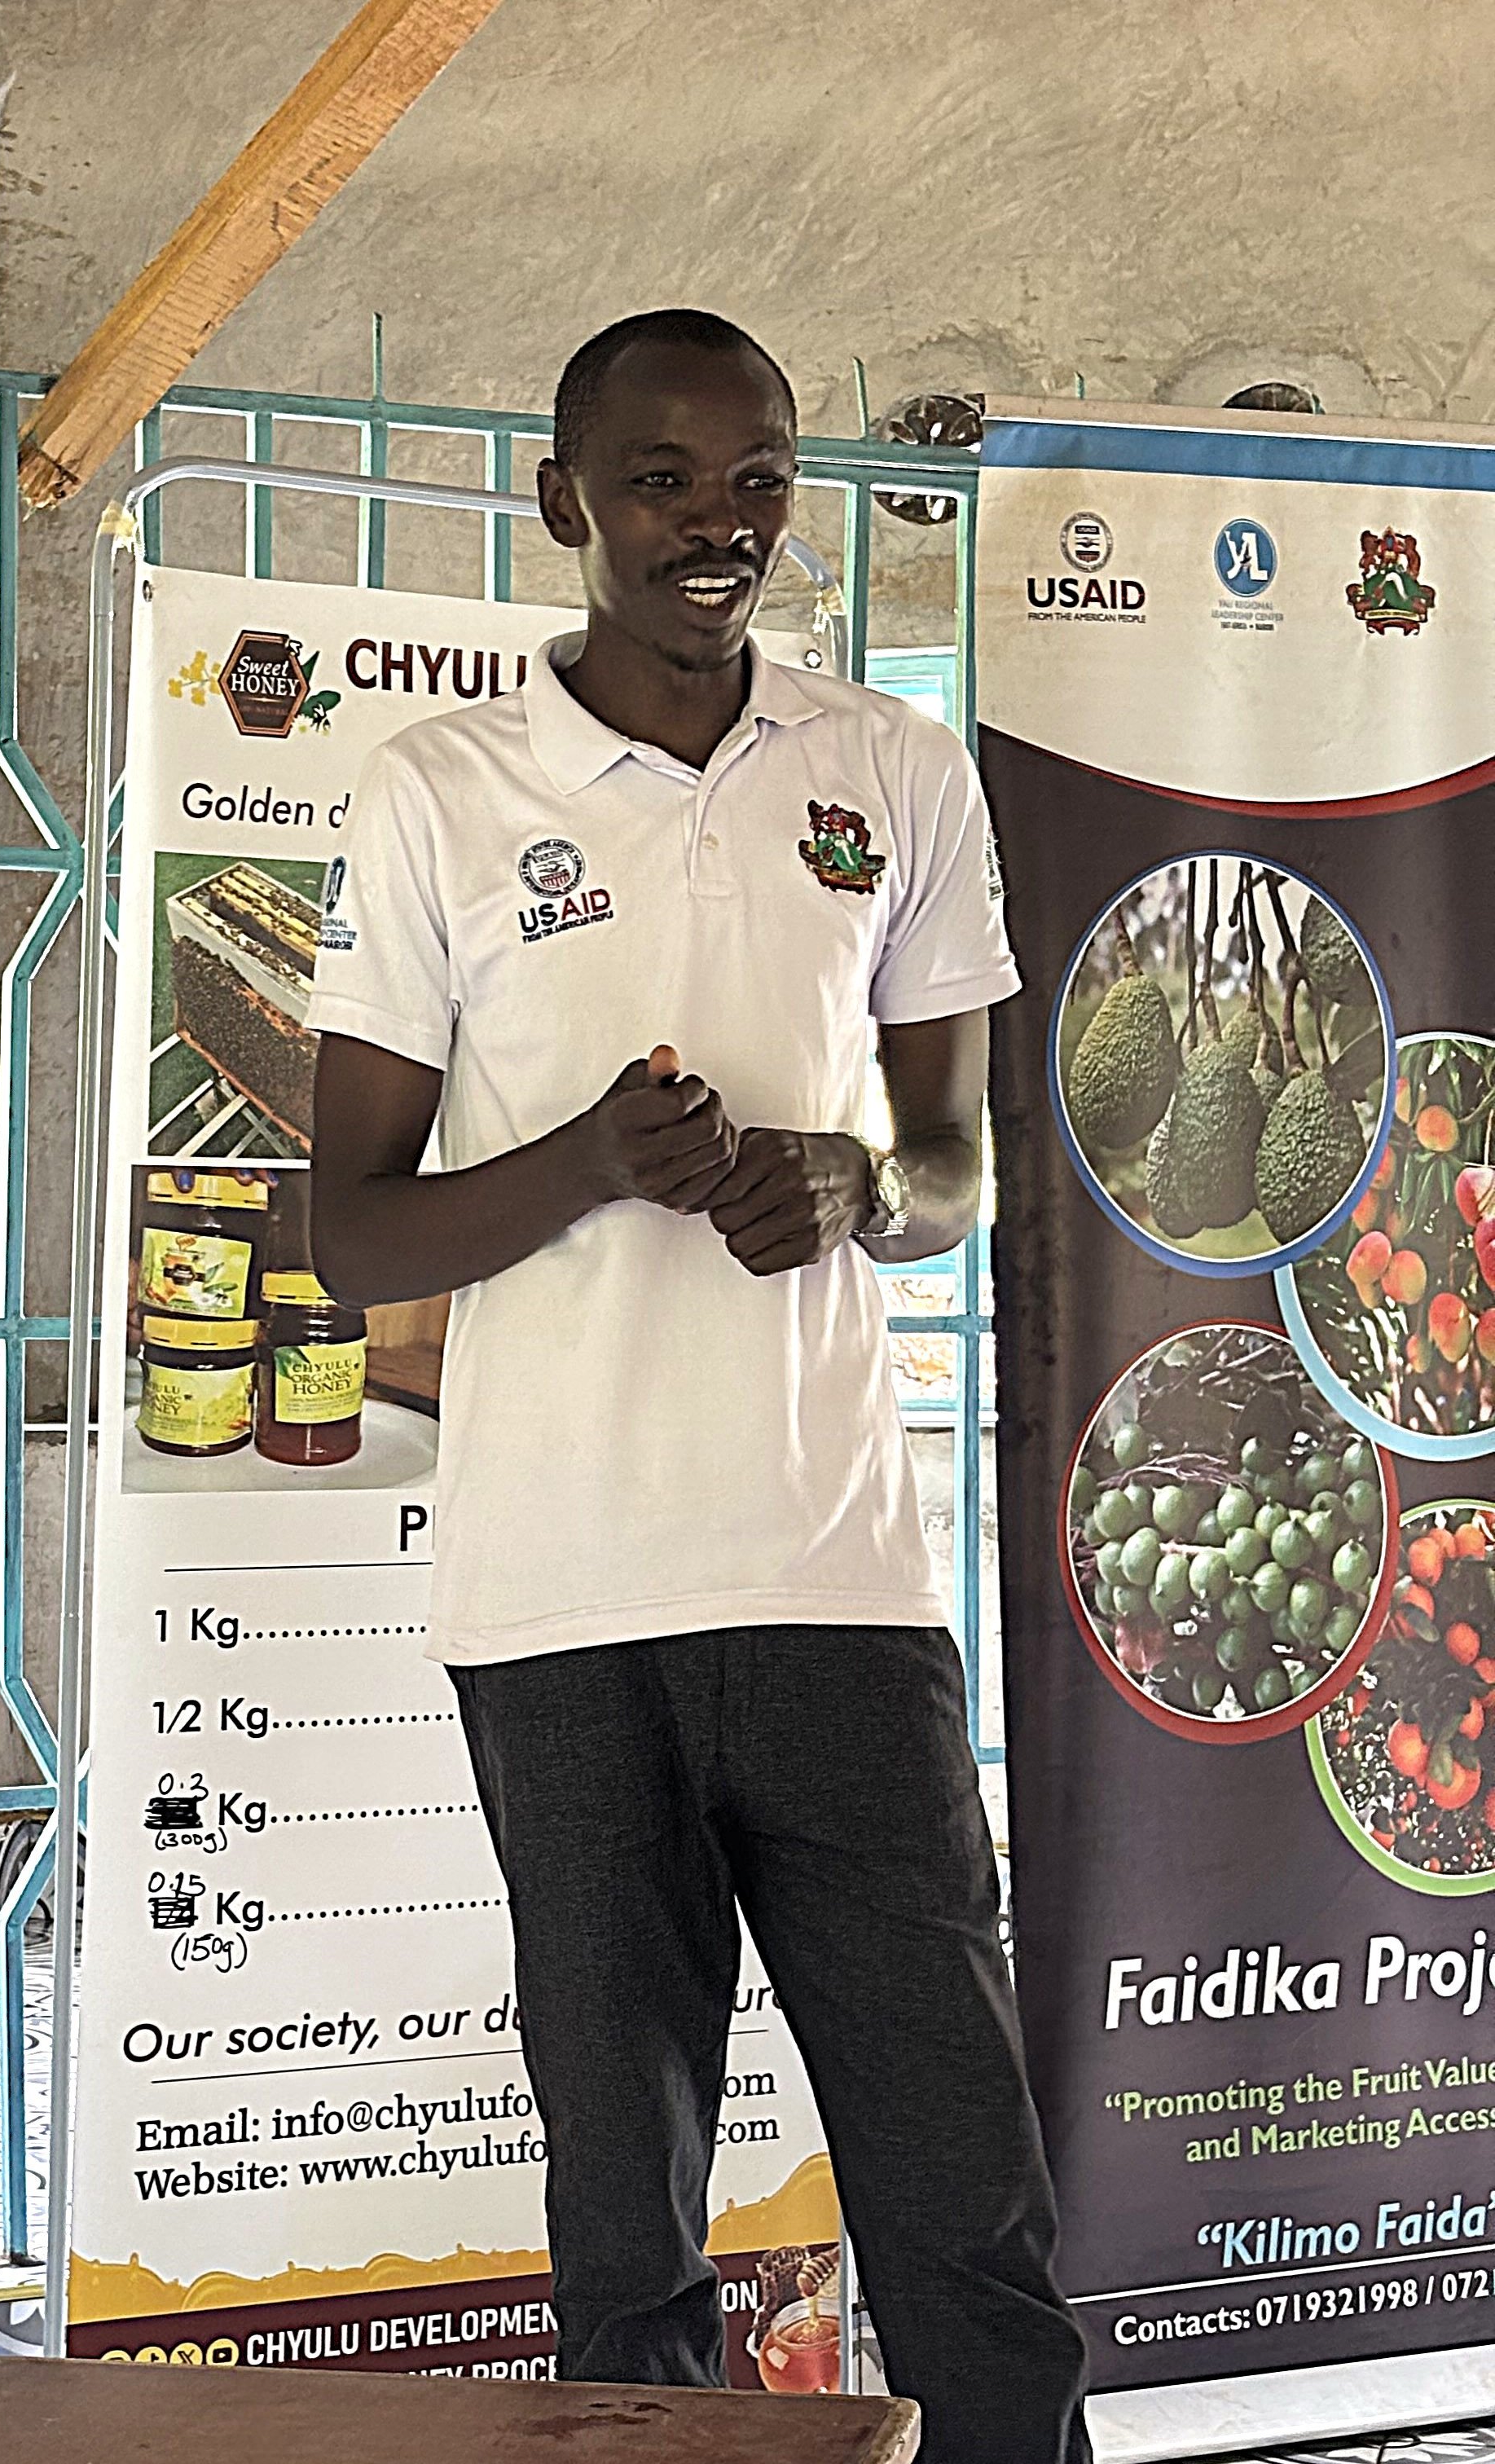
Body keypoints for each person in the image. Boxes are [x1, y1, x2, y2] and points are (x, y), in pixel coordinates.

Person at [305, 310, 1090, 2464]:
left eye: (755, 482)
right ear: (570, 502)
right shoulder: (441, 794)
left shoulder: (892, 771)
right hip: (557, 1613)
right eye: (663, 481)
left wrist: (851, 1184)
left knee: (965, 2217)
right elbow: (343, 1230)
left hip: (840, 1591)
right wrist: (580, 1169)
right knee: (627, 2249)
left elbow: (959, 1171)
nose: (716, 527)